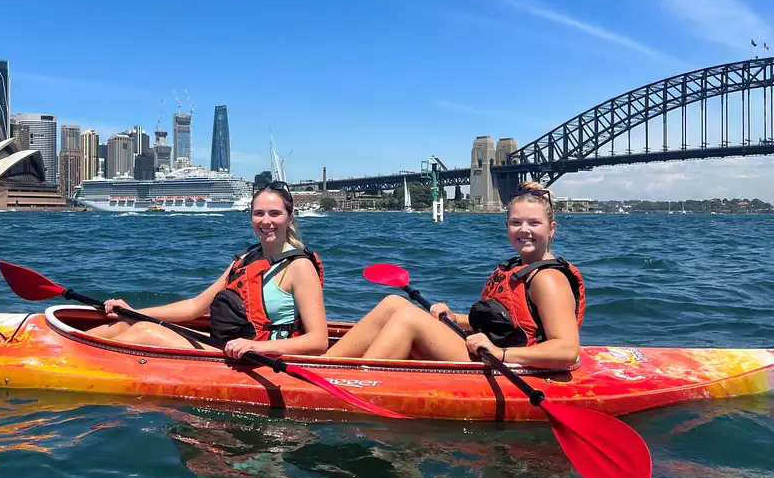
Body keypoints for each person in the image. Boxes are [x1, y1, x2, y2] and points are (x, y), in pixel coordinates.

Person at [327, 181, 584, 368]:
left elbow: (566, 349)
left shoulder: (549, 279)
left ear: (551, 229)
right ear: (507, 226)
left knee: (408, 318)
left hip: (512, 364)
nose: (524, 230)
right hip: (494, 351)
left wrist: (500, 353)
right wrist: (455, 318)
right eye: (516, 222)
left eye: (534, 223)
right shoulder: (516, 267)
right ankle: (320, 366)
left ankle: (357, 383)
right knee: (393, 303)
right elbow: (508, 325)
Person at [88, 182, 329, 360]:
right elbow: (196, 307)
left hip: (260, 358)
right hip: (228, 349)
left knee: (144, 331)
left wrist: (256, 347)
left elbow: (318, 342)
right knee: (127, 325)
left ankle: (87, 363)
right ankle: (74, 348)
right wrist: (133, 312)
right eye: (259, 213)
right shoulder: (247, 259)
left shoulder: (299, 267)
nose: (266, 221)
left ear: (289, 218)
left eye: (275, 213)